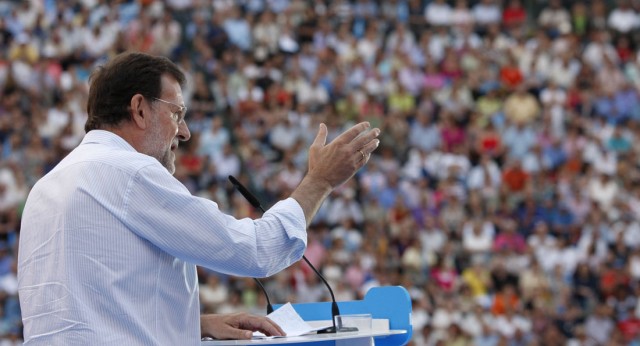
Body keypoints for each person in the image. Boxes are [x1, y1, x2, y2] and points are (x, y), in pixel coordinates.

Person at [16, 52, 381, 345]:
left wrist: (194, 324)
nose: (185, 132)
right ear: (140, 108)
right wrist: (319, 182)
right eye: (177, 113)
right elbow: (255, 251)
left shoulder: (46, 186)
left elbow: (85, 313)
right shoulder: (130, 172)